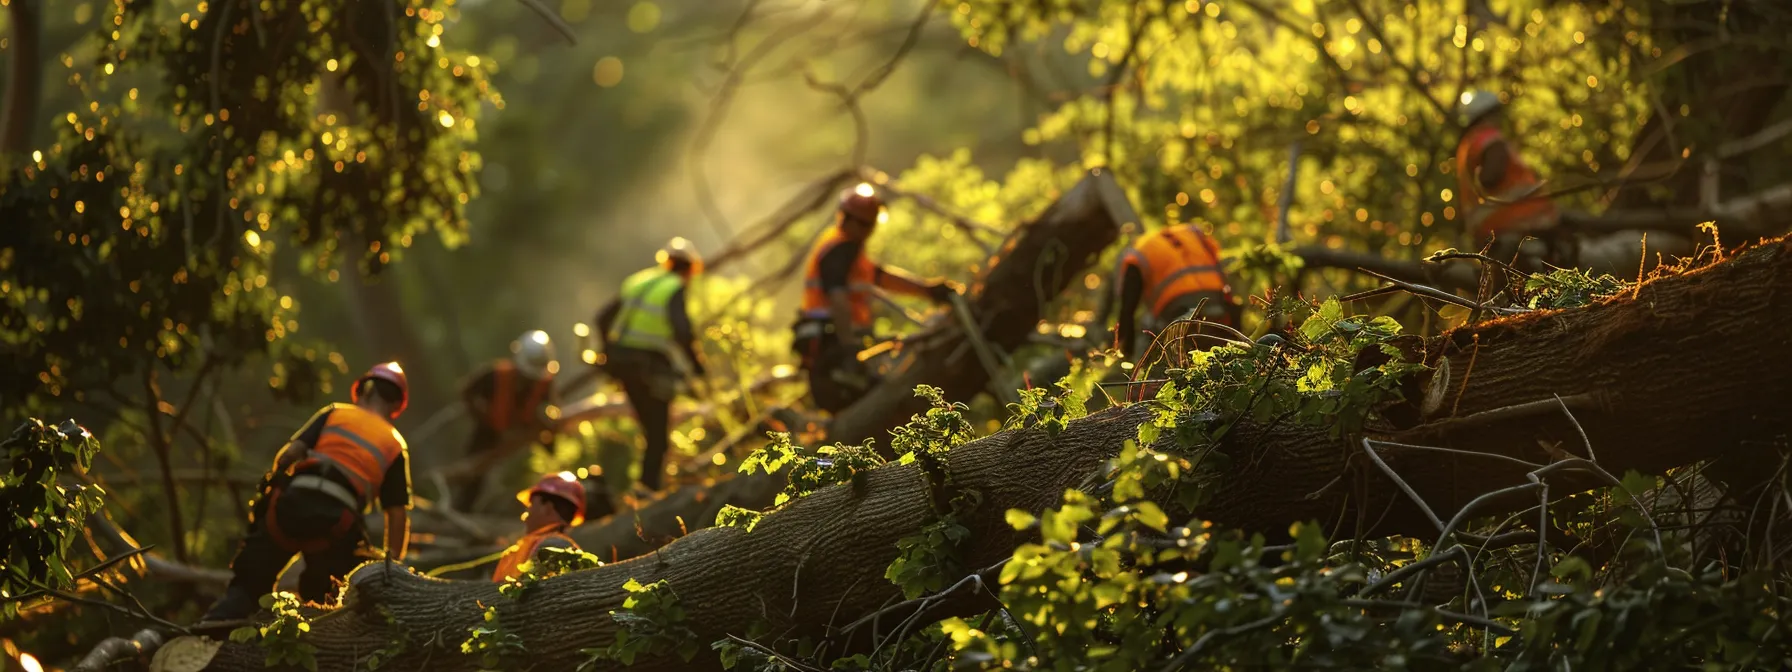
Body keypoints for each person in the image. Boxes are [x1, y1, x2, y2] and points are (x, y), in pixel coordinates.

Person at [201, 362, 412, 621]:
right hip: (337, 526)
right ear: (396, 406)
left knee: (247, 589)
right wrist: (393, 568)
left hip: (288, 507)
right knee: (327, 605)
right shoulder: (394, 444)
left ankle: (209, 630)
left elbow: (289, 455)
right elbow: (397, 515)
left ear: (365, 390)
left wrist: (274, 489)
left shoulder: (335, 413)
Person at [792, 183, 958, 413]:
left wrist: (927, 289)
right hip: (833, 348)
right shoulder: (839, 250)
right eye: (862, 223)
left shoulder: (847, 248)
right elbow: (838, 302)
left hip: (837, 344)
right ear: (846, 219)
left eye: (868, 224)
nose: (866, 230)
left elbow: (880, 276)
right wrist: (850, 348)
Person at [594, 237, 707, 491]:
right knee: (657, 434)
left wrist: (608, 352)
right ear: (690, 268)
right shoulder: (675, 287)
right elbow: (682, 331)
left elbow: (602, 319)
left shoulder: (639, 281)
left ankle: (645, 487)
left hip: (623, 365)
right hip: (648, 367)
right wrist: (698, 367)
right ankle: (647, 490)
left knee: (651, 431)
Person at [1456, 90, 1564, 268]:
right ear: (1487, 114)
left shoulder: (1467, 146)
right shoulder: (1488, 138)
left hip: (1489, 233)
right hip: (1513, 227)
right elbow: (1490, 177)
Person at [452, 331, 560, 510]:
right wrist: (483, 416)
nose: (528, 379)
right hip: (489, 433)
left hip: (524, 439)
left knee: (529, 475)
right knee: (472, 480)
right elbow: (467, 391)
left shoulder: (545, 385)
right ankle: (462, 511)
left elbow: (554, 411)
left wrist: (542, 426)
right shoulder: (495, 376)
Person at [1100, 223, 1238, 360]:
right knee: (1229, 355)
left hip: (1177, 310)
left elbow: (1127, 310)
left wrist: (1125, 354)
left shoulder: (1137, 253)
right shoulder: (1189, 231)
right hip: (1218, 299)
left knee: (1181, 358)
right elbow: (1217, 257)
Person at [491, 472, 585, 582]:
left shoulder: (553, 547)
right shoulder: (522, 548)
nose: (525, 514)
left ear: (547, 508)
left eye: (531, 505)